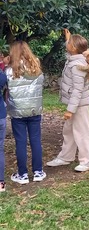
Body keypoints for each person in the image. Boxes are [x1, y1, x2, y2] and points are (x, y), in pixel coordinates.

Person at [47, 29, 89, 172]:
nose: (66, 44)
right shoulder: (74, 58)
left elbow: (77, 90)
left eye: (69, 43)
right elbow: (69, 52)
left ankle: (87, 161)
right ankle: (66, 157)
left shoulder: (77, 65)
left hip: (79, 105)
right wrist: (68, 38)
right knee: (68, 130)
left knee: (81, 132)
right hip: (75, 103)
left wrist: (70, 110)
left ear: (74, 48)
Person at [5, 41, 45, 184]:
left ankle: (22, 174)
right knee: (35, 140)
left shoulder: (10, 70)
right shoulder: (36, 67)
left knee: (20, 142)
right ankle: (38, 171)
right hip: (34, 109)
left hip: (17, 111)